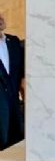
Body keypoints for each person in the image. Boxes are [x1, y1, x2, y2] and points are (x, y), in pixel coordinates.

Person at [0, 12, 25, 150]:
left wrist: (23, 80)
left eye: (1, 16)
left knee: (16, 144)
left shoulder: (14, 41)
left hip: (14, 104)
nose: (0, 19)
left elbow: (21, 68)